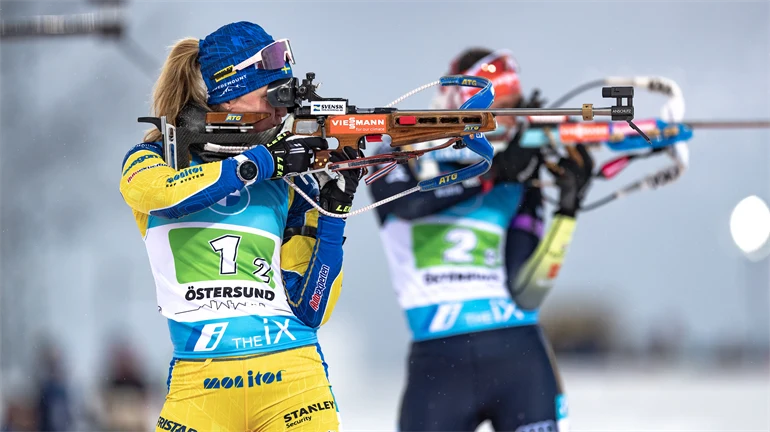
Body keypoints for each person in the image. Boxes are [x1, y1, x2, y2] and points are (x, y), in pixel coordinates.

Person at [119, 21, 362, 432]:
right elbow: (164, 196)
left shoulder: (289, 180)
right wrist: (257, 164)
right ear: (230, 93)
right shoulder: (155, 157)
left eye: (286, 98)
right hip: (199, 387)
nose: (282, 111)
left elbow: (312, 308)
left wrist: (331, 214)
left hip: (293, 382)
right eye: (272, 96)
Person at [368, 47, 594, 432]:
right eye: (495, 107)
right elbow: (408, 203)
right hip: (439, 362)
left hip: (519, 355)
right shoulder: (400, 151)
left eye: (514, 107)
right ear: (456, 103)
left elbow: (527, 291)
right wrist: (489, 174)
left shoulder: (518, 175)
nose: (506, 120)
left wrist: (568, 207)